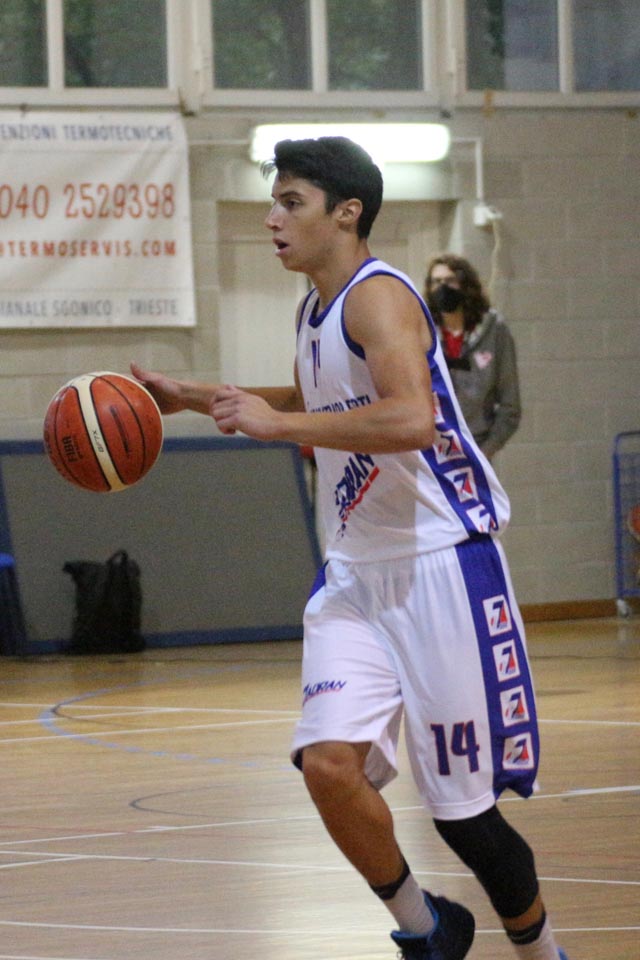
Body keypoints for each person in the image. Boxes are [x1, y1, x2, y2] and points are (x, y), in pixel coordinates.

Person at [131, 136, 568, 960]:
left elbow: (412, 419)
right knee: (327, 766)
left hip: (442, 566)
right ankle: (428, 930)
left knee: (464, 817)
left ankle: (543, 954)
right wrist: (195, 395)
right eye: (274, 201)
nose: (272, 218)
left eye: (290, 202)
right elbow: (313, 395)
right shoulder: (315, 309)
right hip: (354, 575)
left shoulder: (381, 298)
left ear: (347, 213)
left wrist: (277, 427)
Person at [424, 253, 521, 460]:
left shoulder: (494, 330)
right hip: (432, 450)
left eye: (450, 281)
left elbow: (510, 406)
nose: (443, 288)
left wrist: (485, 451)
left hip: (476, 447)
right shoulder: (423, 332)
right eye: (436, 282)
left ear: (465, 285)